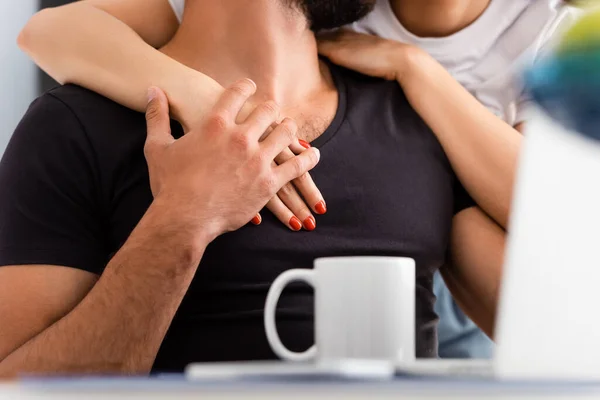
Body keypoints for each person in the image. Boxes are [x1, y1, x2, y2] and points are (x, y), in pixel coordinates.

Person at [16, 0, 578, 358]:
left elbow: (568, 339)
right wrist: (183, 222)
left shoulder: (418, 121)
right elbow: (15, 385)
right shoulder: (76, 126)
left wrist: (417, 69)